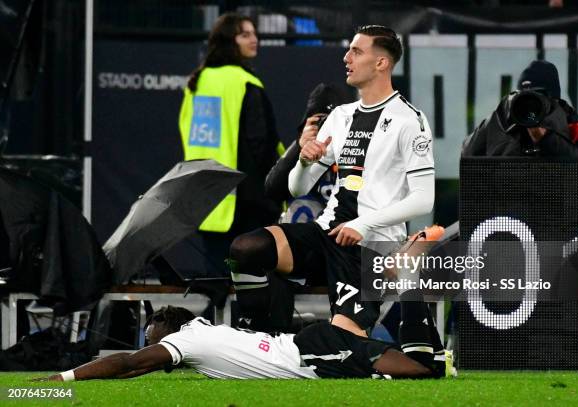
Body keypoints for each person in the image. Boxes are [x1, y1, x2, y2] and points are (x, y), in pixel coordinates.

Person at [229, 25, 435, 344]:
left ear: (381, 63)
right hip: (325, 233)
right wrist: (304, 161)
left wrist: (363, 224)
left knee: (341, 343)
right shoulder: (341, 116)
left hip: (369, 245)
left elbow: (424, 199)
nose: (346, 57)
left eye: (356, 51)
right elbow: (297, 188)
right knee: (245, 249)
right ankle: (253, 336)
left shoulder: (410, 120)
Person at [39, 306, 443, 381]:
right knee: (420, 366)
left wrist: (66, 377)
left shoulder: (188, 338)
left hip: (308, 353)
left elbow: (129, 364)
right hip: (311, 348)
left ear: (167, 326)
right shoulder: (201, 333)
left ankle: (411, 286)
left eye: (151, 333)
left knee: (422, 371)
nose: (149, 342)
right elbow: (137, 365)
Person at [178, 13, 283, 279]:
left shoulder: (197, 82)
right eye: (245, 34)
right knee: (246, 282)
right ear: (229, 41)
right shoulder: (244, 83)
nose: (254, 39)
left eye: (254, 33)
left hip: (205, 195)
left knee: (216, 279)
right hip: (244, 202)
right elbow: (261, 143)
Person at [461, 60, 578, 157]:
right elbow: (467, 152)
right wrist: (500, 114)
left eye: (537, 97)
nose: (529, 105)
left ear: (555, 100)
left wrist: (545, 137)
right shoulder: (506, 122)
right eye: (523, 97)